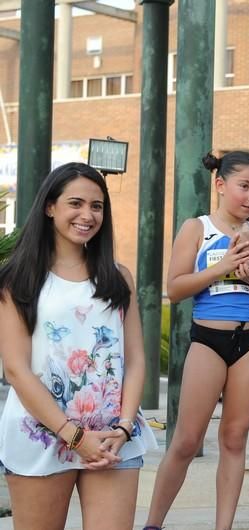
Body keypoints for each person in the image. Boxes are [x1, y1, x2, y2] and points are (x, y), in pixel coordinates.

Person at [0, 162, 157, 529]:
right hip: (41, 434)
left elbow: (135, 360)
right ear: (49, 206)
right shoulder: (16, 279)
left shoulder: (118, 277)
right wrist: (74, 436)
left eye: (97, 206)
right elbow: (16, 370)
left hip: (112, 441)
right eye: (76, 203)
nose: (87, 215)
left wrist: (122, 429)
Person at [143, 151, 249, 530]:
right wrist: (222, 267)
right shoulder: (197, 228)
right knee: (187, 440)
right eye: (244, 187)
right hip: (208, 340)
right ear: (220, 185)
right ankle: (153, 523)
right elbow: (175, 288)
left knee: (235, 438)